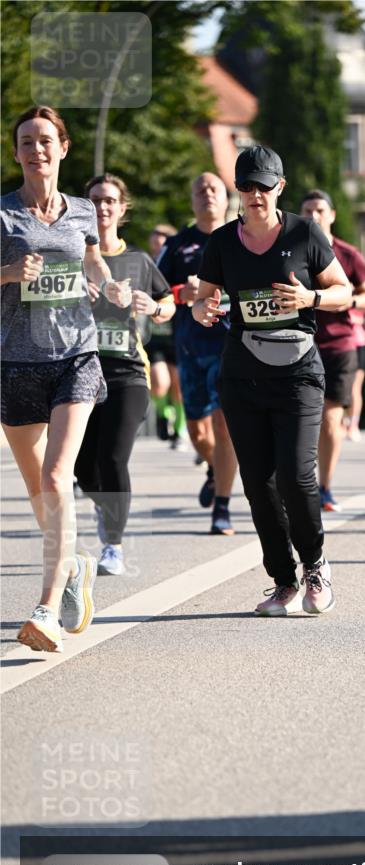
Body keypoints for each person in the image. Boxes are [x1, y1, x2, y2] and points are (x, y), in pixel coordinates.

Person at [193, 146, 350, 615]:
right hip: (243, 373)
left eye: (264, 185)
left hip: (299, 372)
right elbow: (203, 300)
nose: (255, 194)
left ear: (280, 187)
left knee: (299, 478)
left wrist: (310, 297)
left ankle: (316, 566)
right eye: (247, 186)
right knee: (258, 483)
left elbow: (345, 293)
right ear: (238, 191)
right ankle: (282, 581)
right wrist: (205, 310)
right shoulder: (221, 243)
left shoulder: (305, 234)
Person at [1, 106, 129, 651]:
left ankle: (47, 608)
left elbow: (95, 262)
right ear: (16, 152)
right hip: (15, 363)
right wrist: (7, 273)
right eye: (27, 141)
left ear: (64, 148)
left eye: (46, 140)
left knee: (57, 479)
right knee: (39, 492)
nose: (37, 149)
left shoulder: (81, 212)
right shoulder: (3, 215)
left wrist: (112, 286)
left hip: (76, 355)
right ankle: (75, 563)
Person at [73, 174, 175, 575]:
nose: (102, 207)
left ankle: (112, 545)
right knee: (83, 467)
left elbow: (169, 305)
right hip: (80, 372)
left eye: (110, 200)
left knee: (114, 458)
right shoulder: (71, 256)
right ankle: (105, 508)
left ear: (122, 208)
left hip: (128, 373)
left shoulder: (138, 261)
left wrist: (152, 306)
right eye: (95, 199)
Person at [158, 173, 238, 533]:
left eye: (213, 189)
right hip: (191, 349)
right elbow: (156, 295)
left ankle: (222, 507)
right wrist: (181, 295)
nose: (206, 194)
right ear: (192, 201)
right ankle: (214, 470)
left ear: (226, 199)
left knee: (224, 428)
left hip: (232, 347)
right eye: (199, 189)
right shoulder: (177, 246)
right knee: (198, 433)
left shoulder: (242, 237)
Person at [300, 189, 365, 512]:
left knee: (331, 418)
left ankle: (324, 487)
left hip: (340, 343)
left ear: (331, 215)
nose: (313, 216)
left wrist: (351, 301)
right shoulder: (291, 252)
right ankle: (301, 484)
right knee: (301, 419)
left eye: (319, 210)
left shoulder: (348, 253)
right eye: (307, 211)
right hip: (301, 343)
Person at [145, 223, 185, 449]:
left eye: (162, 241)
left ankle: (179, 431)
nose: (158, 245)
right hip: (155, 337)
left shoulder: (178, 266)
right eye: (154, 241)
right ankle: (163, 415)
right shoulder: (145, 265)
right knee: (159, 384)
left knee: (178, 388)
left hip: (177, 335)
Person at [345, 306, 365, 441]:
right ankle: (342, 423)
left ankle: (353, 425)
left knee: (355, 387)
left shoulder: (362, 288)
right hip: (338, 343)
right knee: (339, 387)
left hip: (358, 342)